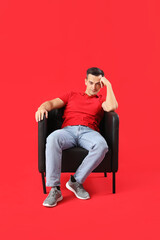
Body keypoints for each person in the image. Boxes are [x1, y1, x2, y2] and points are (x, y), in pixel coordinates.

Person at [35, 67, 118, 207]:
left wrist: (109, 85)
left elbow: (112, 107)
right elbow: (51, 103)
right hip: (68, 131)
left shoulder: (101, 99)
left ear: (102, 84)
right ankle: (54, 189)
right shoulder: (72, 95)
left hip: (89, 132)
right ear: (85, 81)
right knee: (52, 138)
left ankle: (76, 180)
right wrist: (41, 108)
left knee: (102, 146)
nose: (94, 86)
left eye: (98, 83)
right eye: (91, 82)